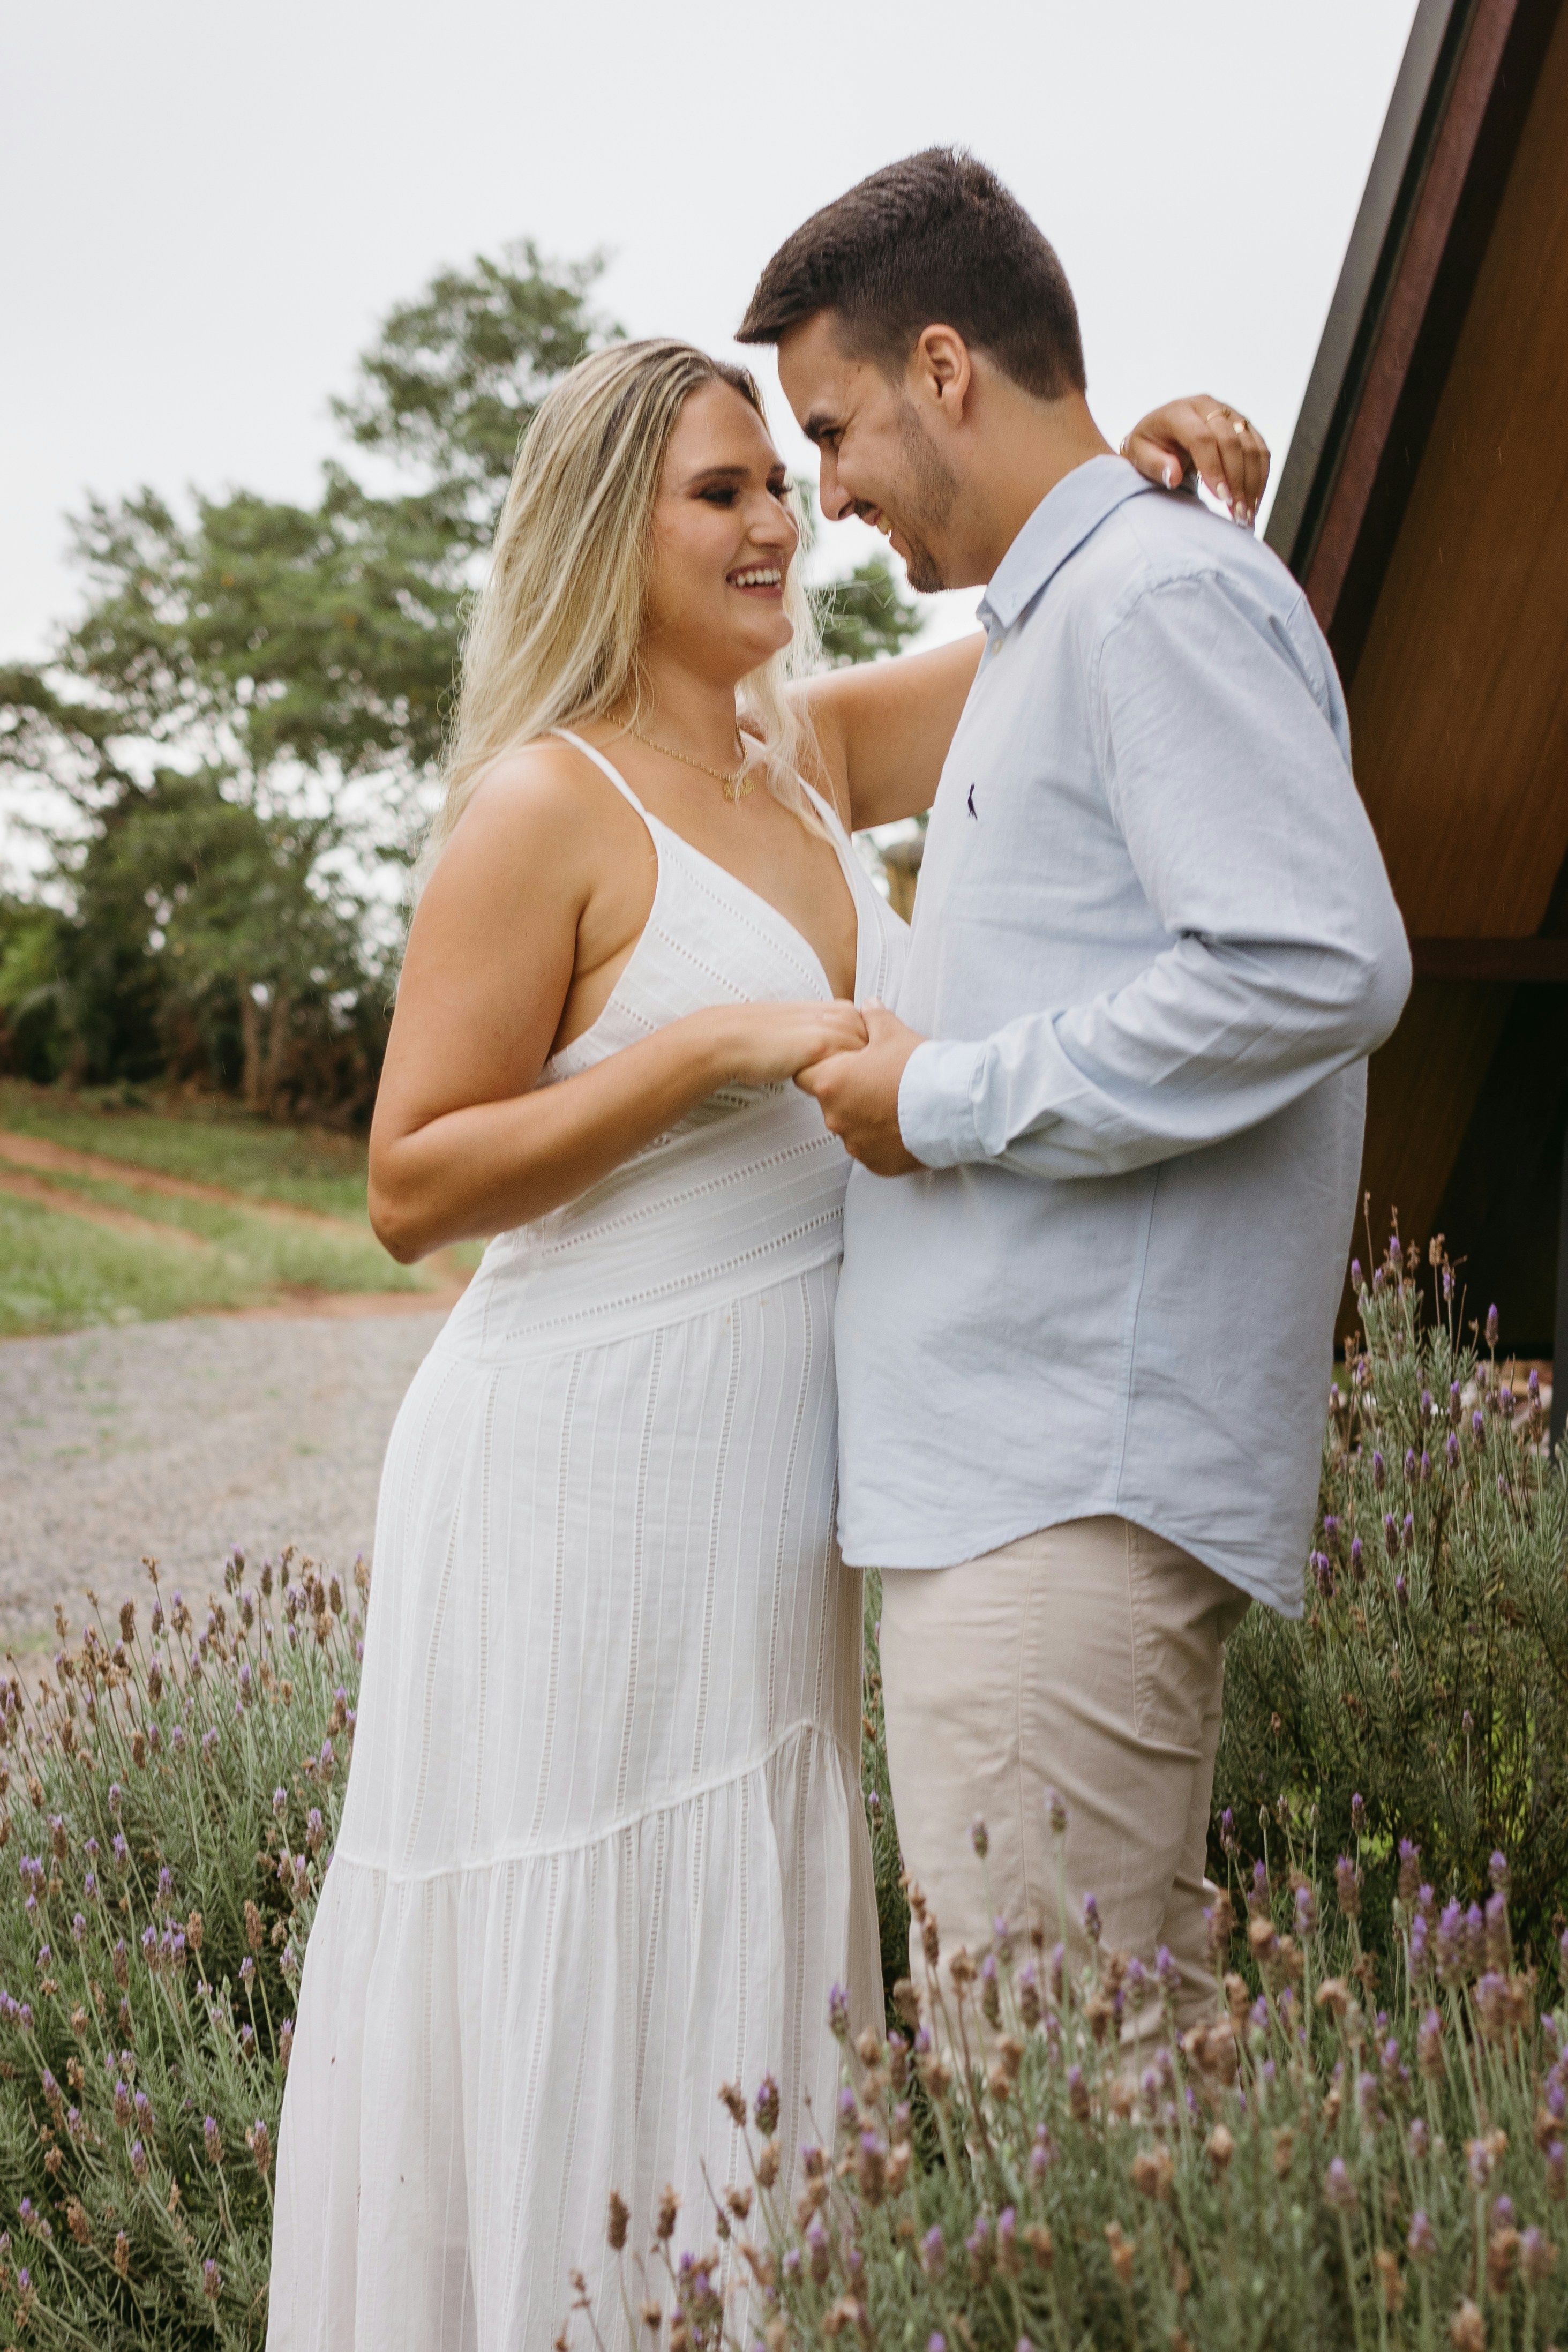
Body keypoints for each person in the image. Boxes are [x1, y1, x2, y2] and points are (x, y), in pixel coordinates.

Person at [266, 332, 1266, 2348]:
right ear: (603, 529)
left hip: (775, 1487)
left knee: (740, 1944)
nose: (776, 520)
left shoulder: (802, 752)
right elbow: (410, 1182)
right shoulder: (544, 802)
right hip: (572, 1463)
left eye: (779, 483)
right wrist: (714, 1044)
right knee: (575, 1923)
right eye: (719, 491)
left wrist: (1127, 482)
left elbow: (1063, 639)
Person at [738, 149, 1412, 2036]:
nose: (829, 491)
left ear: (946, 365)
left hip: (1065, 1489)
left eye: (834, 428)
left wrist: (942, 1098)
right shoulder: (1075, 614)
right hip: (1011, 1489)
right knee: (1081, 2094)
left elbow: (1319, 963)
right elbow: (755, 737)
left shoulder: (1151, 601)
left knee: (1070, 2112)